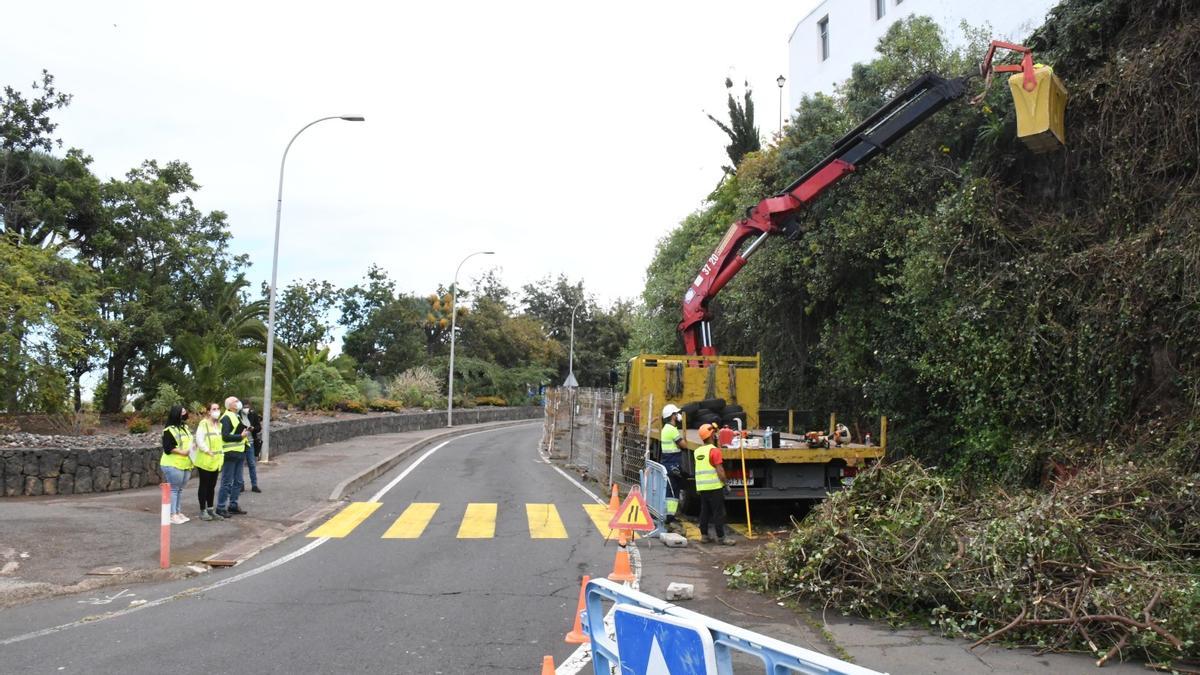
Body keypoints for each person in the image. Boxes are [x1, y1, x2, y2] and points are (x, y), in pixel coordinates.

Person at [694, 423, 735, 546]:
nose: (716, 435)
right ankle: (722, 537)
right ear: (711, 435)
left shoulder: (697, 451)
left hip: (702, 487)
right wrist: (726, 484)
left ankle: (704, 536)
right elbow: (720, 470)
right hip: (715, 487)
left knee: (704, 511)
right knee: (719, 512)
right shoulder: (714, 451)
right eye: (715, 433)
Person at [160, 404, 194, 525]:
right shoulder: (169, 430)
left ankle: (177, 512)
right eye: (182, 412)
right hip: (172, 463)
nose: (185, 414)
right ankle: (172, 514)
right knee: (174, 489)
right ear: (176, 414)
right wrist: (182, 452)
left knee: (179, 489)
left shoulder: (185, 427)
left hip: (185, 463)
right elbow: (168, 448)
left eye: (185, 411)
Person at [216, 396, 249, 517]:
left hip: (239, 452)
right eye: (236, 401)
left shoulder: (237, 416)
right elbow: (224, 436)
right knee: (227, 482)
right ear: (230, 405)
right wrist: (240, 436)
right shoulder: (226, 418)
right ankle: (220, 507)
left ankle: (233, 505)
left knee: (239, 481)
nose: (238, 402)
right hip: (230, 453)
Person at [193, 402, 225, 521]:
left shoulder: (219, 425)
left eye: (218, 408)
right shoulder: (204, 423)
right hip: (205, 460)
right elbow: (199, 439)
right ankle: (203, 510)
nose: (216, 411)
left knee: (212, 486)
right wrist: (207, 450)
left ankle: (211, 509)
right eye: (214, 409)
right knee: (204, 485)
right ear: (208, 411)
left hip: (215, 461)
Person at [659, 404, 687, 533]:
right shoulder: (672, 430)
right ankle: (670, 518)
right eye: (676, 413)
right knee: (673, 491)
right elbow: (683, 445)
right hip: (673, 464)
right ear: (672, 416)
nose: (678, 415)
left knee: (671, 491)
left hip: (668, 463)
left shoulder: (665, 429)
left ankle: (670, 517)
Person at [241, 400, 262, 493]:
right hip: (241, 442)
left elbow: (259, 427)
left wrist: (253, 428)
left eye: (247, 406)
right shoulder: (238, 415)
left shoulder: (253, 414)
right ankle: (240, 485)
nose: (246, 408)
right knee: (240, 465)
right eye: (244, 407)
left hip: (251, 442)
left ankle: (254, 485)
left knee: (252, 464)